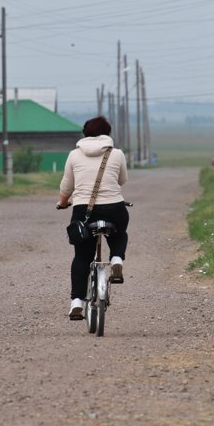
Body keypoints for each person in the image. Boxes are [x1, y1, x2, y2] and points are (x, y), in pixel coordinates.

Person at [56, 116, 129, 320]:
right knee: (120, 234)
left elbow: (66, 186)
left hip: (83, 211)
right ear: (108, 133)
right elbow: (122, 180)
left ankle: (76, 302)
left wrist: (63, 202)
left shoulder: (74, 155)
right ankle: (116, 259)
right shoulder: (117, 154)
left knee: (81, 256)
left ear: (85, 133)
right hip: (114, 208)